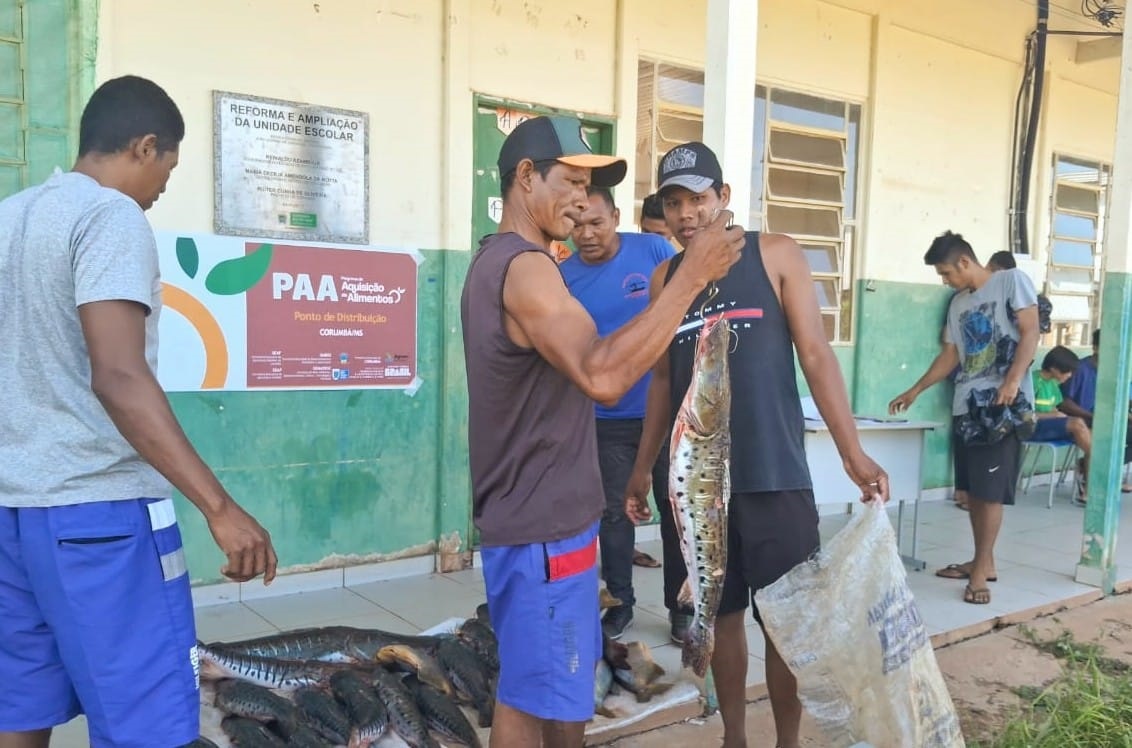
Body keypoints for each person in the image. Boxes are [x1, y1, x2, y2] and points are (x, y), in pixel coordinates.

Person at [0, 75, 277, 748]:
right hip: (100, 517)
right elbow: (119, 375)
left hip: (13, 513)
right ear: (144, 146)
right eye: (168, 168)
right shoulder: (110, 216)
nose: (161, 189)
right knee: (148, 721)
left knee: (20, 709)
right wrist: (220, 506)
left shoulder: (10, 216)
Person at [460, 118, 744, 748]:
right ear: (526, 177)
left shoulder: (503, 261)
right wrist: (691, 275)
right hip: (541, 528)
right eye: (570, 181)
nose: (582, 201)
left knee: (553, 691)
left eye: (590, 187)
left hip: (545, 522)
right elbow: (604, 375)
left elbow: (593, 356)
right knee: (528, 701)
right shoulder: (525, 266)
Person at [623, 141, 890, 748]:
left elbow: (817, 356)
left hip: (774, 475)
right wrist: (643, 468)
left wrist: (852, 454)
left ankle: (786, 742)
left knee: (787, 623)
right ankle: (734, 736)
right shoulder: (666, 277)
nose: (687, 213)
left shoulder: (776, 255)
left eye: (698, 197)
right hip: (695, 489)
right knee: (719, 616)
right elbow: (662, 381)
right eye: (674, 201)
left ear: (724, 198)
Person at [889, 231, 1039, 607]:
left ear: (964, 262)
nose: (945, 281)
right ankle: (981, 562)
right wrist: (916, 389)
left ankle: (979, 574)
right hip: (967, 407)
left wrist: (1013, 380)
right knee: (972, 493)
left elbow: (1031, 330)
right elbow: (951, 356)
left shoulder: (1010, 282)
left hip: (1001, 407)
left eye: (945, 273)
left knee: (989, 495)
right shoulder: (958, 304)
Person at [559, 187, 677, 640]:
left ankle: (680, 608)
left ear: (616, 216)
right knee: (614, 515)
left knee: (674, 511)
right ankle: (620, 603)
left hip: (664, 416)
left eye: (596, 223)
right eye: (576, 224)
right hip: (606, 420)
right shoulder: (563, 277)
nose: (585, 234)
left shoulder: (653, 249)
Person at [1057, 329, 1132, 496]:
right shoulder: (1079, 369)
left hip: (1106, 421)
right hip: (1083, 420)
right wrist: (1092, 416)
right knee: (1105, 438)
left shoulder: (1114, 371)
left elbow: (1124, 398)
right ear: (1096, 348)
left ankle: (1094, 468)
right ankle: (1099, 479)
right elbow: (1064, 403)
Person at [1030, 346, 1091, 502]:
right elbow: (1024, 416)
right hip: (1034, 428)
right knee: (1077, 423)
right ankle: (1096, 468)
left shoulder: (1053, 385)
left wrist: (1057, 415)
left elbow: (1055, 408)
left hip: (1050, 426)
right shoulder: (1032, 381)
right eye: (1067, 371)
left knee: (1091, 432)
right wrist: (1053, 415)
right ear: (1054, 368)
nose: (1069, 375)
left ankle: (1089, 488)